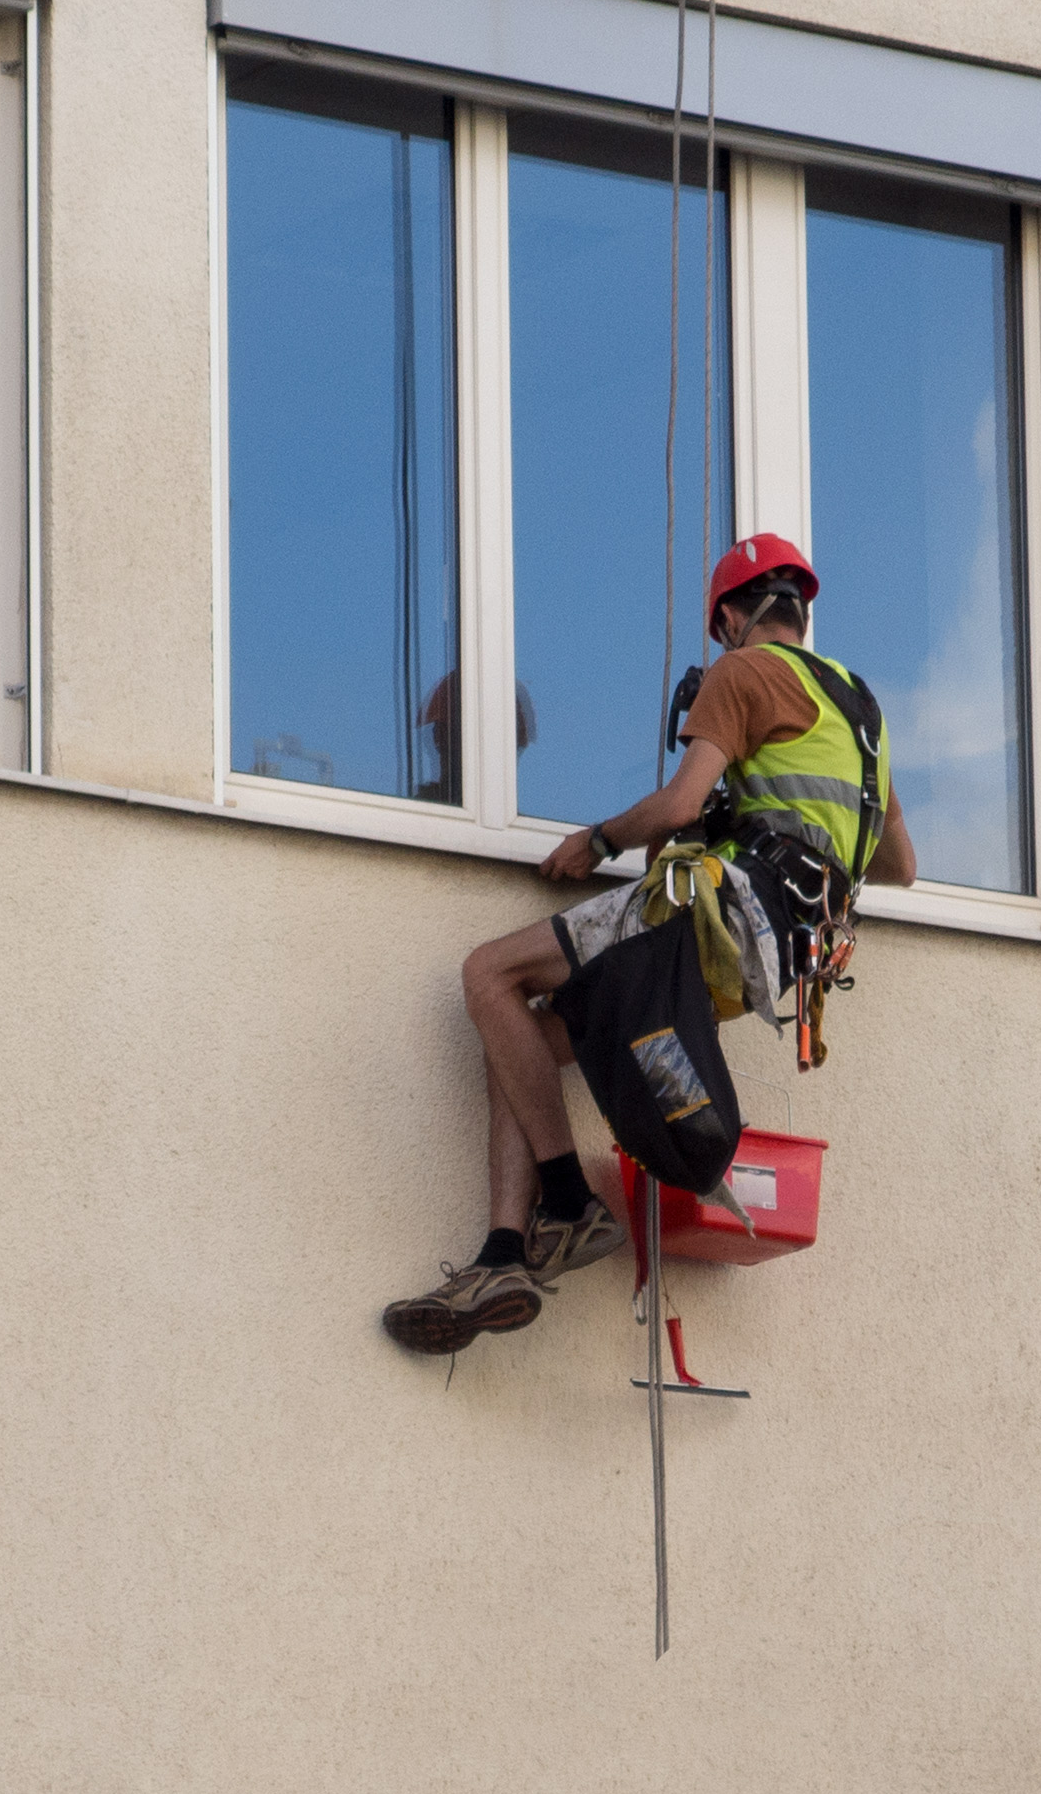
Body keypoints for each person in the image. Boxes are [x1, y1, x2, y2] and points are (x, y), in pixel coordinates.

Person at [380, 533, 917, 1354]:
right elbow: (900, 865)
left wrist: (597, 840)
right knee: (517, 1033)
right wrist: (764, 814)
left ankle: (567, 1201)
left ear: (732, 617)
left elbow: (674, 807)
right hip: (775, 958)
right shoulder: (862, 714)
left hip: (720, 908)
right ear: (802, 612)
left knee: (489, 973)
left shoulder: (743, 671)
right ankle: (503, 1253)